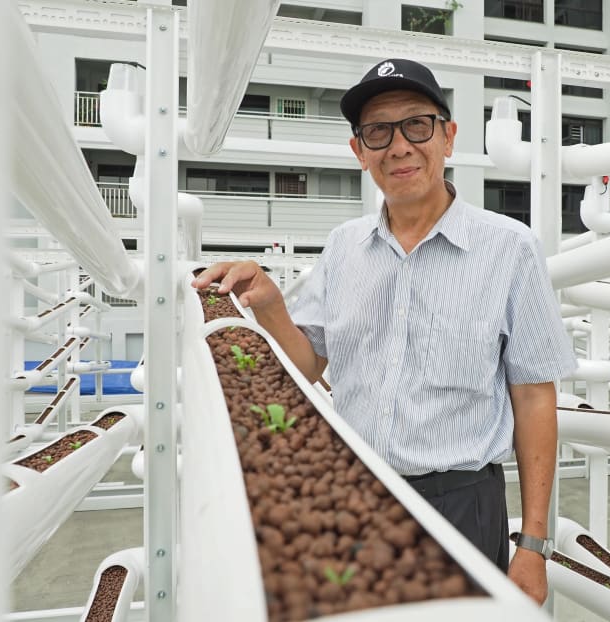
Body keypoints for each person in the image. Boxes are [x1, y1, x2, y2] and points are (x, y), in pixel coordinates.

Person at [193, 58, 577, 605]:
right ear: (359, 151)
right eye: (378, 131)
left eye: (416, 125)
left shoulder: (509, 248)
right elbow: (308, 367)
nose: (398, 146)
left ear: (448, 136)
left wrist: (533, 543)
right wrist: (272, 306)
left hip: (461, 501)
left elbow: (535, 397)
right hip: (354, 495)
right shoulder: (344, 247)